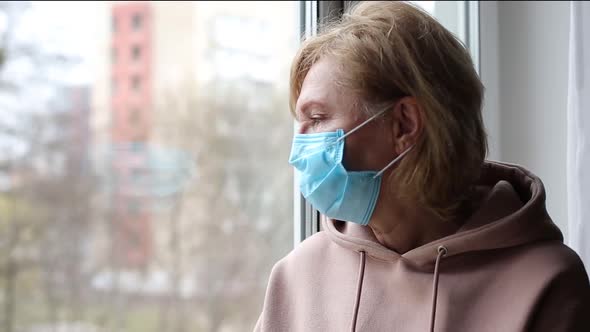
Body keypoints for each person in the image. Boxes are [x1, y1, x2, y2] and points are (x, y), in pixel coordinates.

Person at [254, 1, 590, 331]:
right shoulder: (297, 276)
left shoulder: (547, 284)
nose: (297, 150)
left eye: (317, 118)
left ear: (404, 123)